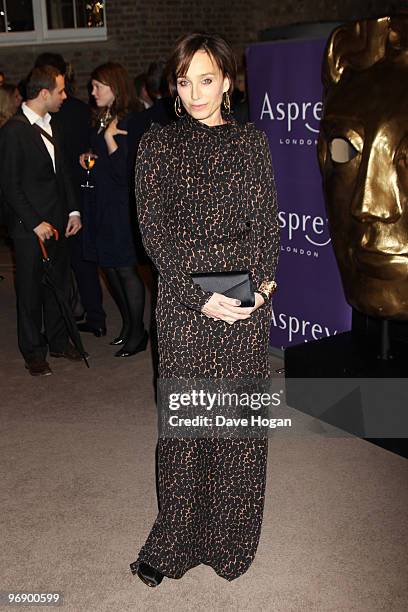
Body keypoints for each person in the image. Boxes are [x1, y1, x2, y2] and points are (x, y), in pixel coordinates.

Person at [130, 32, 279, 586]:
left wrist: (260, 292)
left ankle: (231, 541)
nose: (195, 92)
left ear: (228, 82)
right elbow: (154, 235)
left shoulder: (252, 143)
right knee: (187, 426)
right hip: (183, 304)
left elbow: (267, 227)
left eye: (207, 79)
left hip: (243, 305)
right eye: (184, 80)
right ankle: (176, 539)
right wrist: (201, 295)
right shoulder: (157, 144)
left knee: (235, 429)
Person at [0, 65, 83, 376]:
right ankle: (34, 351)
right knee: (31, 292)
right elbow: (9, 186)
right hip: (28, 229)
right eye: (61, 91)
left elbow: (62, 174)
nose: (65, 96)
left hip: (59, 223)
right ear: (44, 93)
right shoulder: (12, 131)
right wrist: (35, 223)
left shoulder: (52, 124)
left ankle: (60, 342)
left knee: (59, 285)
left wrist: (73, 211)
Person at [34, 52, 107, 335]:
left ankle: (70, 318)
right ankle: (95, 316)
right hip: (80, 192)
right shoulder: (80, 109)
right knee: (82, 260)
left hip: (61, 196)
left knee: (65, 262)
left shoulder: (50, 113)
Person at [79, 62, 147, 356]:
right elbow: (104, 163)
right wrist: (89, 156)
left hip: (121, 207)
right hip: (101, 204)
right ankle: (129, 327)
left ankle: (138, 331)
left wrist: (109, 138)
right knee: (109, 267)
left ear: (114, 88)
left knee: (125, 270)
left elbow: (125, 173)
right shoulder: (101, 116)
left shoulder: (131, 120)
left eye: (98, 87)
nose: (92, 92)